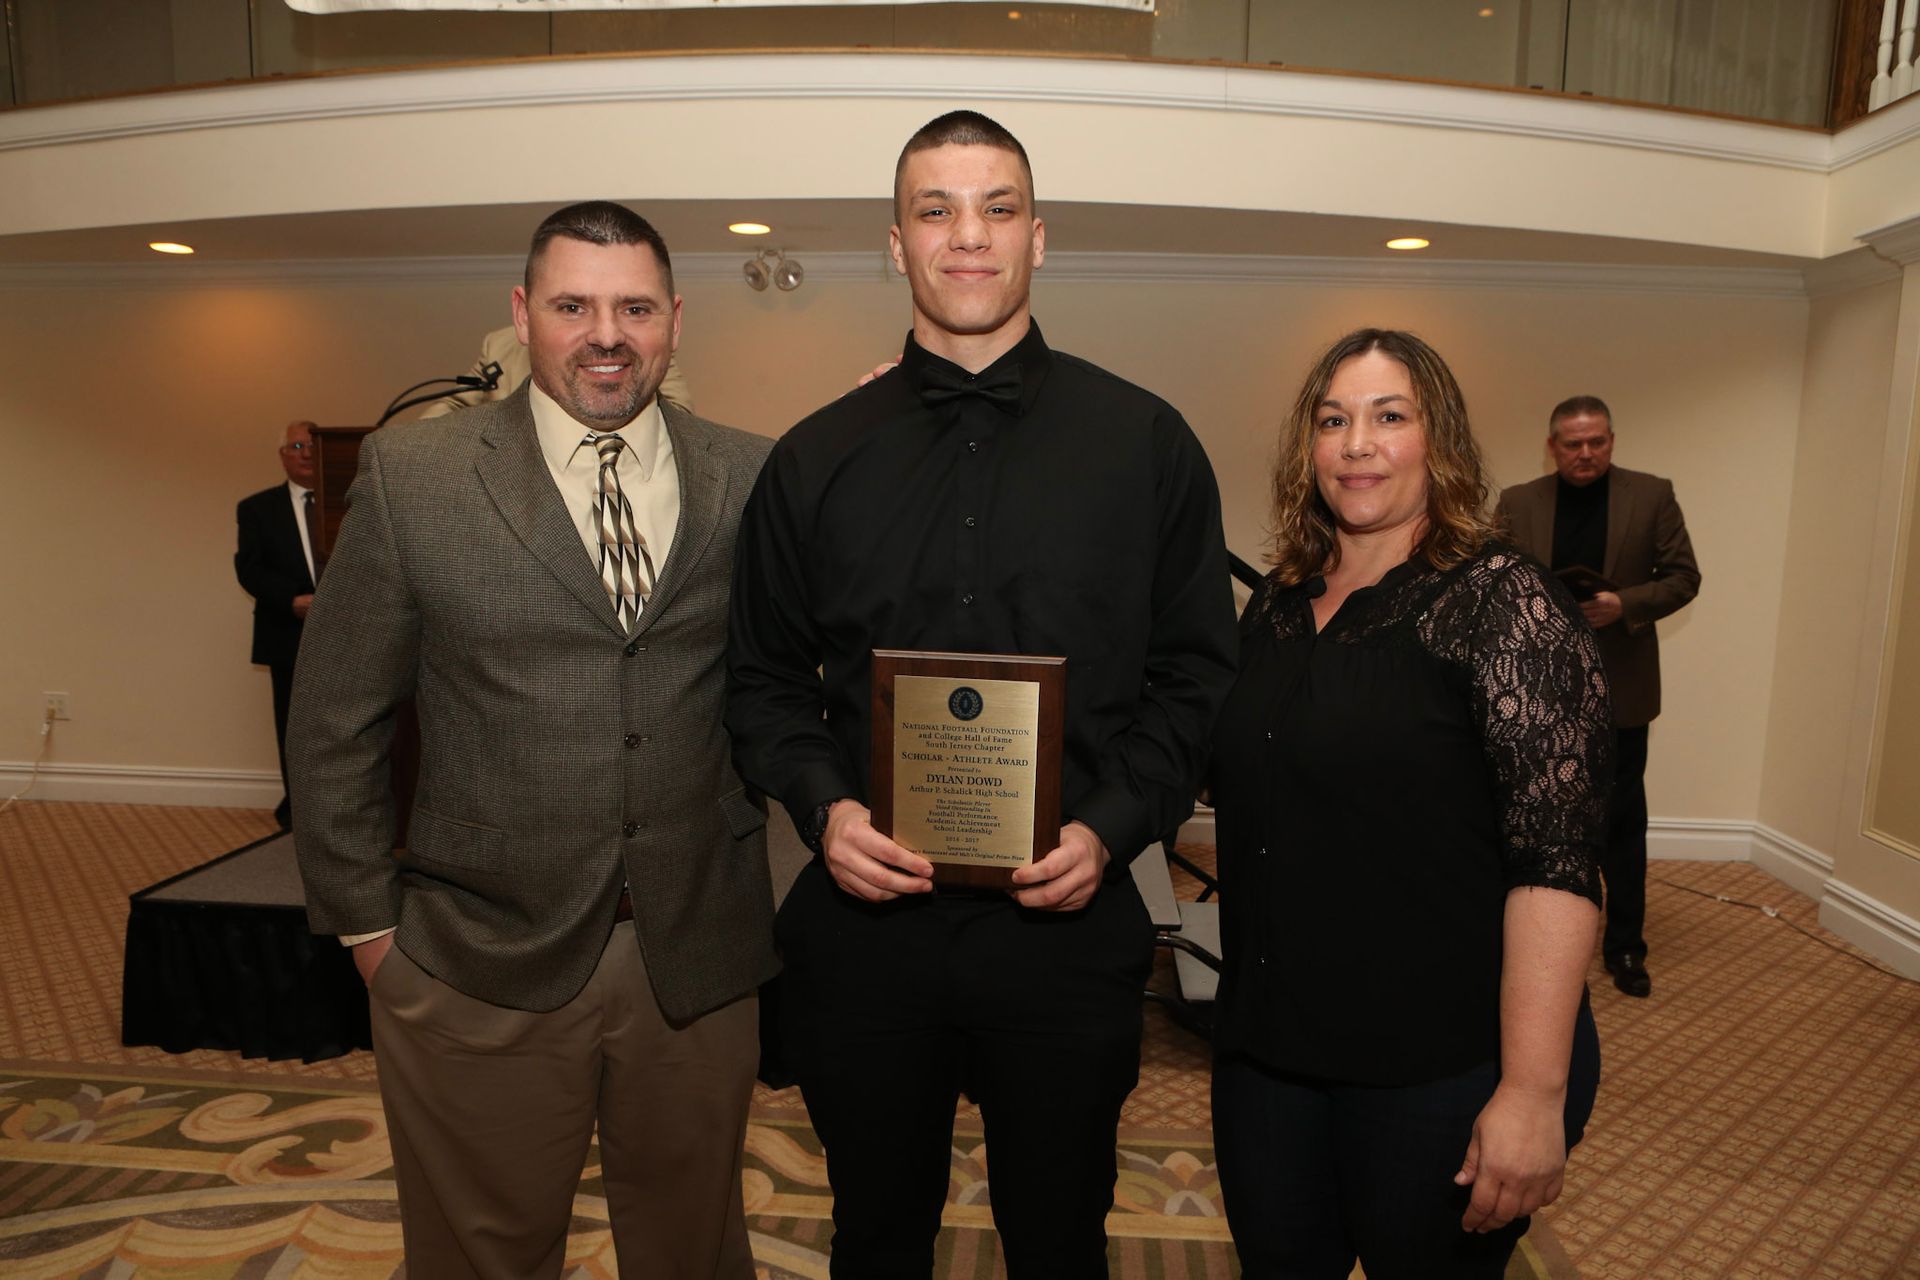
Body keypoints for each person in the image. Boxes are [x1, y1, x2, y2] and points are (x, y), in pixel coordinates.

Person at [726, 110, 1238, 1279]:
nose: (969, 234)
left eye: (998, 208)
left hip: (1067, 929)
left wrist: (1109, 829)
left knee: (1059, 1241)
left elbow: (1196, 676)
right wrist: (826, 811)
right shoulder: (813, 459)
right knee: (876, 1237)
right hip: (866, 935)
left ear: (1037, 238)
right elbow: (761, 678)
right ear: (897, 245)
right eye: (937, 209)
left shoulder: (1147, 444)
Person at [288, 201, 775, 1279]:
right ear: (522, 314)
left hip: (696, 950)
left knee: (696, 1252)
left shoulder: (753, 475)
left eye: (635, 307)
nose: (606, 334)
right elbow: (333, 718)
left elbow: (802, 672)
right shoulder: (416, 475)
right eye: (572, 306)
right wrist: (372, 933)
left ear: (676, 319)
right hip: (475, 955)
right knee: (481, 1257)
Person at [1208, 329, 1609, 1278]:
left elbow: (1555, 867)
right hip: (1268, 1055)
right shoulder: (1278, 602)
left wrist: (1532, 1094)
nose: (1357, 444)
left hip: (1440, 1067)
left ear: (1441, 441)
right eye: (1332, 421)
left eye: (1389, 417)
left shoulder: (1504, 604)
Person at [1497, 396, 1701, 998]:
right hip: (1537, 687)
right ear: (1552, 446)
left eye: (1597, 442)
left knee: (1622, 821)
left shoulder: (1652, 495)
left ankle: (1626, 947)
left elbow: (1684, 577)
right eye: (1573, 443)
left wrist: (1623, 604)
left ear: (1611, 440)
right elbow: (1494, 579)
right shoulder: (1517, 502)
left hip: (1621, 688)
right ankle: (1527, 938)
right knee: (1529, 817)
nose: (1586, 453)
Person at [235, 419, 319, 828]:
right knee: (292, 725)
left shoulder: (354, 503)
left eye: (313, 445)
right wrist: (291, 600)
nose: (307, 453)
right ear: (283, 455)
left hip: (348, 635)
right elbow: (250, 570)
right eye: (297, 446)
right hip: (287, 632)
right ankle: (298, 812)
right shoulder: (257, 508)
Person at [417, 322, 692, 418]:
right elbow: (453, 405)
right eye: (570, 307)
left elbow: (679, 413)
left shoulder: (641, 347)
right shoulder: (500, 344)